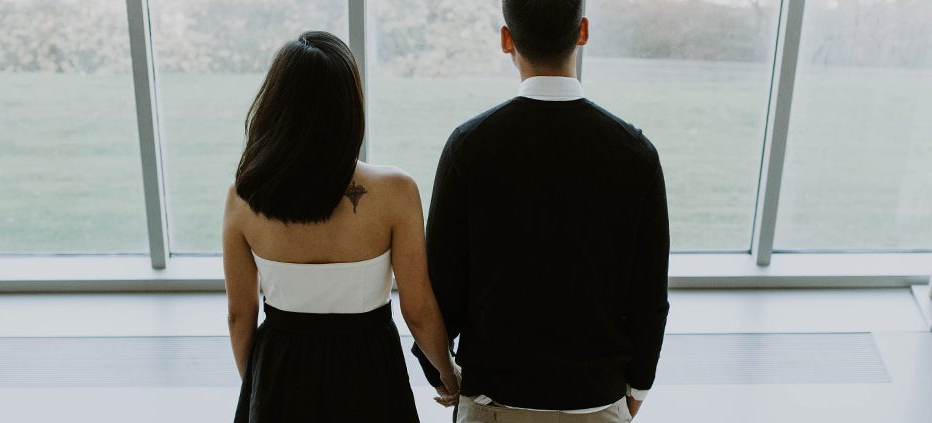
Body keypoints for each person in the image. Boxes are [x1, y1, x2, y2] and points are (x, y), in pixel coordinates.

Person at [411, 1, 671, 422]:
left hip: (493, 400)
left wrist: (443, 375)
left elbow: (441, 287)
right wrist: (637, 388)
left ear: (506, 39)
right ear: (582, 31)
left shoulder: (469, 146)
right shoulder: (635, 153)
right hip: (598, 400)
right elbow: (649, 294)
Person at [223, 31, 460, 422]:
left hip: (282, 368)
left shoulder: (244, 196)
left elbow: (239, 313)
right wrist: (447, 374)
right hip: (369, 369)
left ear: (276, 104)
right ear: (350, 106)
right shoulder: (395, 191)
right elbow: (417, 309)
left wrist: (257, 385)